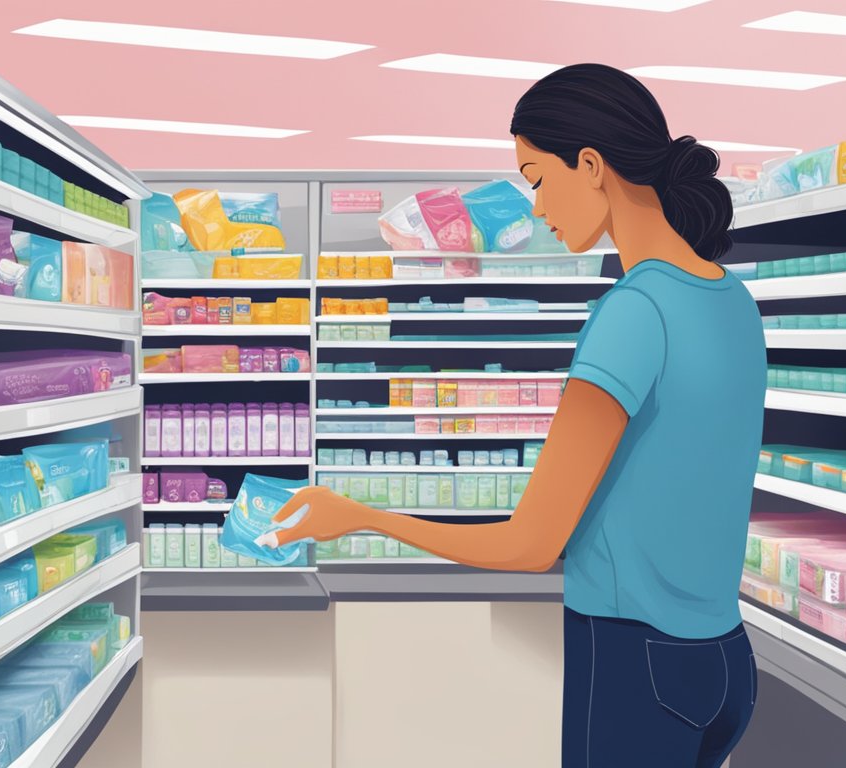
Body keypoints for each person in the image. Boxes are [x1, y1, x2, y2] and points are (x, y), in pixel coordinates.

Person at [265, 63, 766, 768]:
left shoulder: (634, 311)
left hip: (636, 664)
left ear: (591, 166)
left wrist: (363, 516)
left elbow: (530, 546)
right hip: (726, 665)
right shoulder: (731, 301)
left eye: (535, 178)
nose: (534, 208)